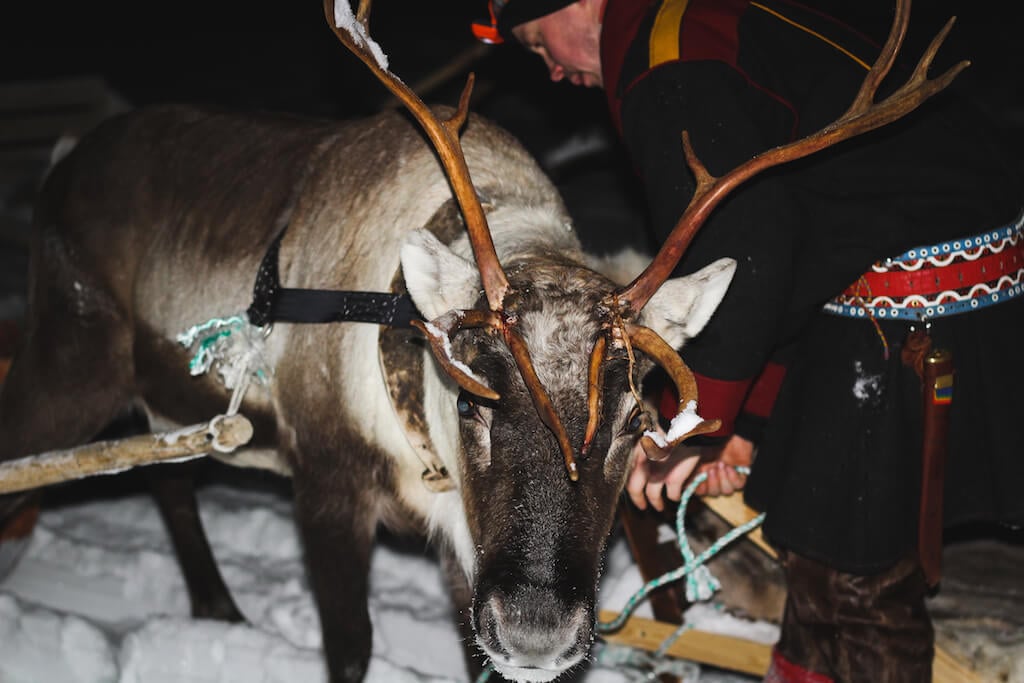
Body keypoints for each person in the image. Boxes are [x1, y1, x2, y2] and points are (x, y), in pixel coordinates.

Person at [472, 1, 1024, 681]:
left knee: (860, 584)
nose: (551, 70)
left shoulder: (667, 59)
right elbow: (793, 231)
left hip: (907, 300)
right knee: (816, 557)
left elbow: (746, 241)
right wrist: (744, 418)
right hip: (885, 281)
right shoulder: (692, 16)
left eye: (538, 43)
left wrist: (695, 421)